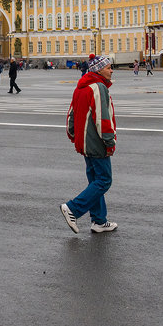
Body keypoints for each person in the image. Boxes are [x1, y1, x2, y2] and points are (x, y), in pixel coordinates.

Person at [59, 54, 119, 234]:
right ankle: (73, 208)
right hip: (97, 143)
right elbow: (102, 118)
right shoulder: (98, 88)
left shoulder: (80, 87)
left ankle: (99, 221)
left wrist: (74, 136)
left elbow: (71, 115)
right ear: (99, 69)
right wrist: (110, 142)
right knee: (104, 181)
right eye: (108, 67)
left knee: (95, 180)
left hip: (84, 144)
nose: (111, 70)